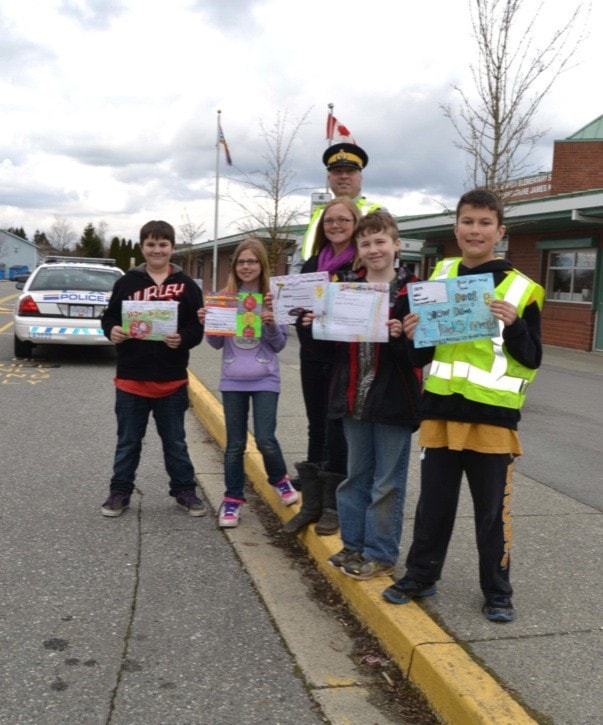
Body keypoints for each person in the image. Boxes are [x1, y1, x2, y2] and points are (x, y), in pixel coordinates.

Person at [382, 189, 544, 623]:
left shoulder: (523, 289)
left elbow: (532, 358)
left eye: (484, 223)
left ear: (500, 232)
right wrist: (412, 333)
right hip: (439, 415)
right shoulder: (440, 277)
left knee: (491, 515)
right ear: (456, 228)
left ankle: (497, 591)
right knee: (433, 507)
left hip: (492, 420)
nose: (475, 230)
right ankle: (421, 576)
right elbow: (419, 358)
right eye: (468, 222)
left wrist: (513, 327)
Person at [304, 210, 422, 579]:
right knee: (355, 477)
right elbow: (325, 353)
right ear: (358, 246)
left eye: (380, 242)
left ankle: (381, 552)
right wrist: (309, 327)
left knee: (386, 482)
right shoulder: (343, 287)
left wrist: (403, 336)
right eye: (366, 243)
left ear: (396, 244)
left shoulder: (413, 291)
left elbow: (423, 355)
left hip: (394, 402)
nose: (373, 250)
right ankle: (353, 545)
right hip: (352, 397)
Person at [100, 220, 205, 518]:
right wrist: (114, 331)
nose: (157, 249)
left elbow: (197, 328)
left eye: (163, 244)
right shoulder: (127, 283)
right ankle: (120, 490)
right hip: (131, 380)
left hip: (171, 381)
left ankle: (185, 490)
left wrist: (183, 338)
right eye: (151, 244)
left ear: (172, 247)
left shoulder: (186, 286)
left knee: (175, 442)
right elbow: (108, 318)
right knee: (128, 442)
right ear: (142, 247)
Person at [197, 239, 298, 528]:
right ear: (235, 266)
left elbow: (279, 346)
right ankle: (232, 499)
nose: (246, 267)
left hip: (266, 378)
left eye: (252, 262)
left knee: (266, 439)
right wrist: (209, 321)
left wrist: (269, 324)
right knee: (234, 445)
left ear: (262, 265)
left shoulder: (272, 299)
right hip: (232, 379)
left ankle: (279, 479)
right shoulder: (224, 298)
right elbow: (216, 344)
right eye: (241, 262)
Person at [285, 198, 362, 536]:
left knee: (338, 430)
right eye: (330, 220)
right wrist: (297, 317)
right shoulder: (313, 264)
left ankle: (333, 506)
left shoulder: (359, 267)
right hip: (312, 354)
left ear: (355, 224)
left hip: (343, 359)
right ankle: (312, 502)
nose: (336, 225)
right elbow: (296, 309)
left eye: (343, 219)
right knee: (316, 423)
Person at [289, 142, 383, 274]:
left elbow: (387, 262)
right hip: (315, 282)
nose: (344, 176)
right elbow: (299, 260)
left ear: (360, 177)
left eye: (350, 171)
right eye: (337, 171)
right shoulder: (319, 214)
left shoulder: (376, 212)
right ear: (329, 178)